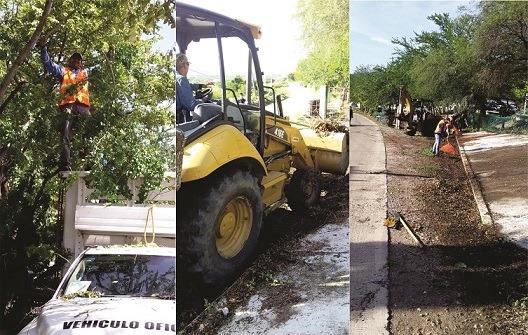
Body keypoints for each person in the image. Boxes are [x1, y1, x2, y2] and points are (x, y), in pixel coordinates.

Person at [39, 36, 98, 171]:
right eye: (74, 58)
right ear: (70, 60)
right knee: (66, 133)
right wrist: (43, 48)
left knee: (89, 131)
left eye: (79, 59)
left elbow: (99, 67)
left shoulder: (85, 73)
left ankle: (89, 161)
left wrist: (110, 56)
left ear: (81, 63)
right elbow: (48, 63)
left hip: (83, 106)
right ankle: (65, 164)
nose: (76, 60)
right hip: (68, 106)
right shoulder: (63, 71)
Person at [176, 53, 212, 123]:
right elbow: (191, 105)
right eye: (188, 63)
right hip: (182, 120)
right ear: (184, 65)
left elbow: (188, 86)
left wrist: (202, 85)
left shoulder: (176, 77)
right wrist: (203, 100)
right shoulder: (181, 79)